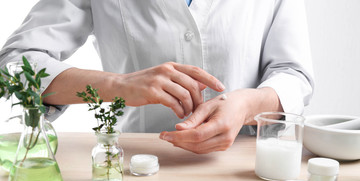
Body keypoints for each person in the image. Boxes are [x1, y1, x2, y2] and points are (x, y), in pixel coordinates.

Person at [0, 0, 314, 154]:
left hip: (244, 168)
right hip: (132, 167)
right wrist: (118, 85)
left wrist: (246, 106)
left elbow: (293, 74)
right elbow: (13, 67)